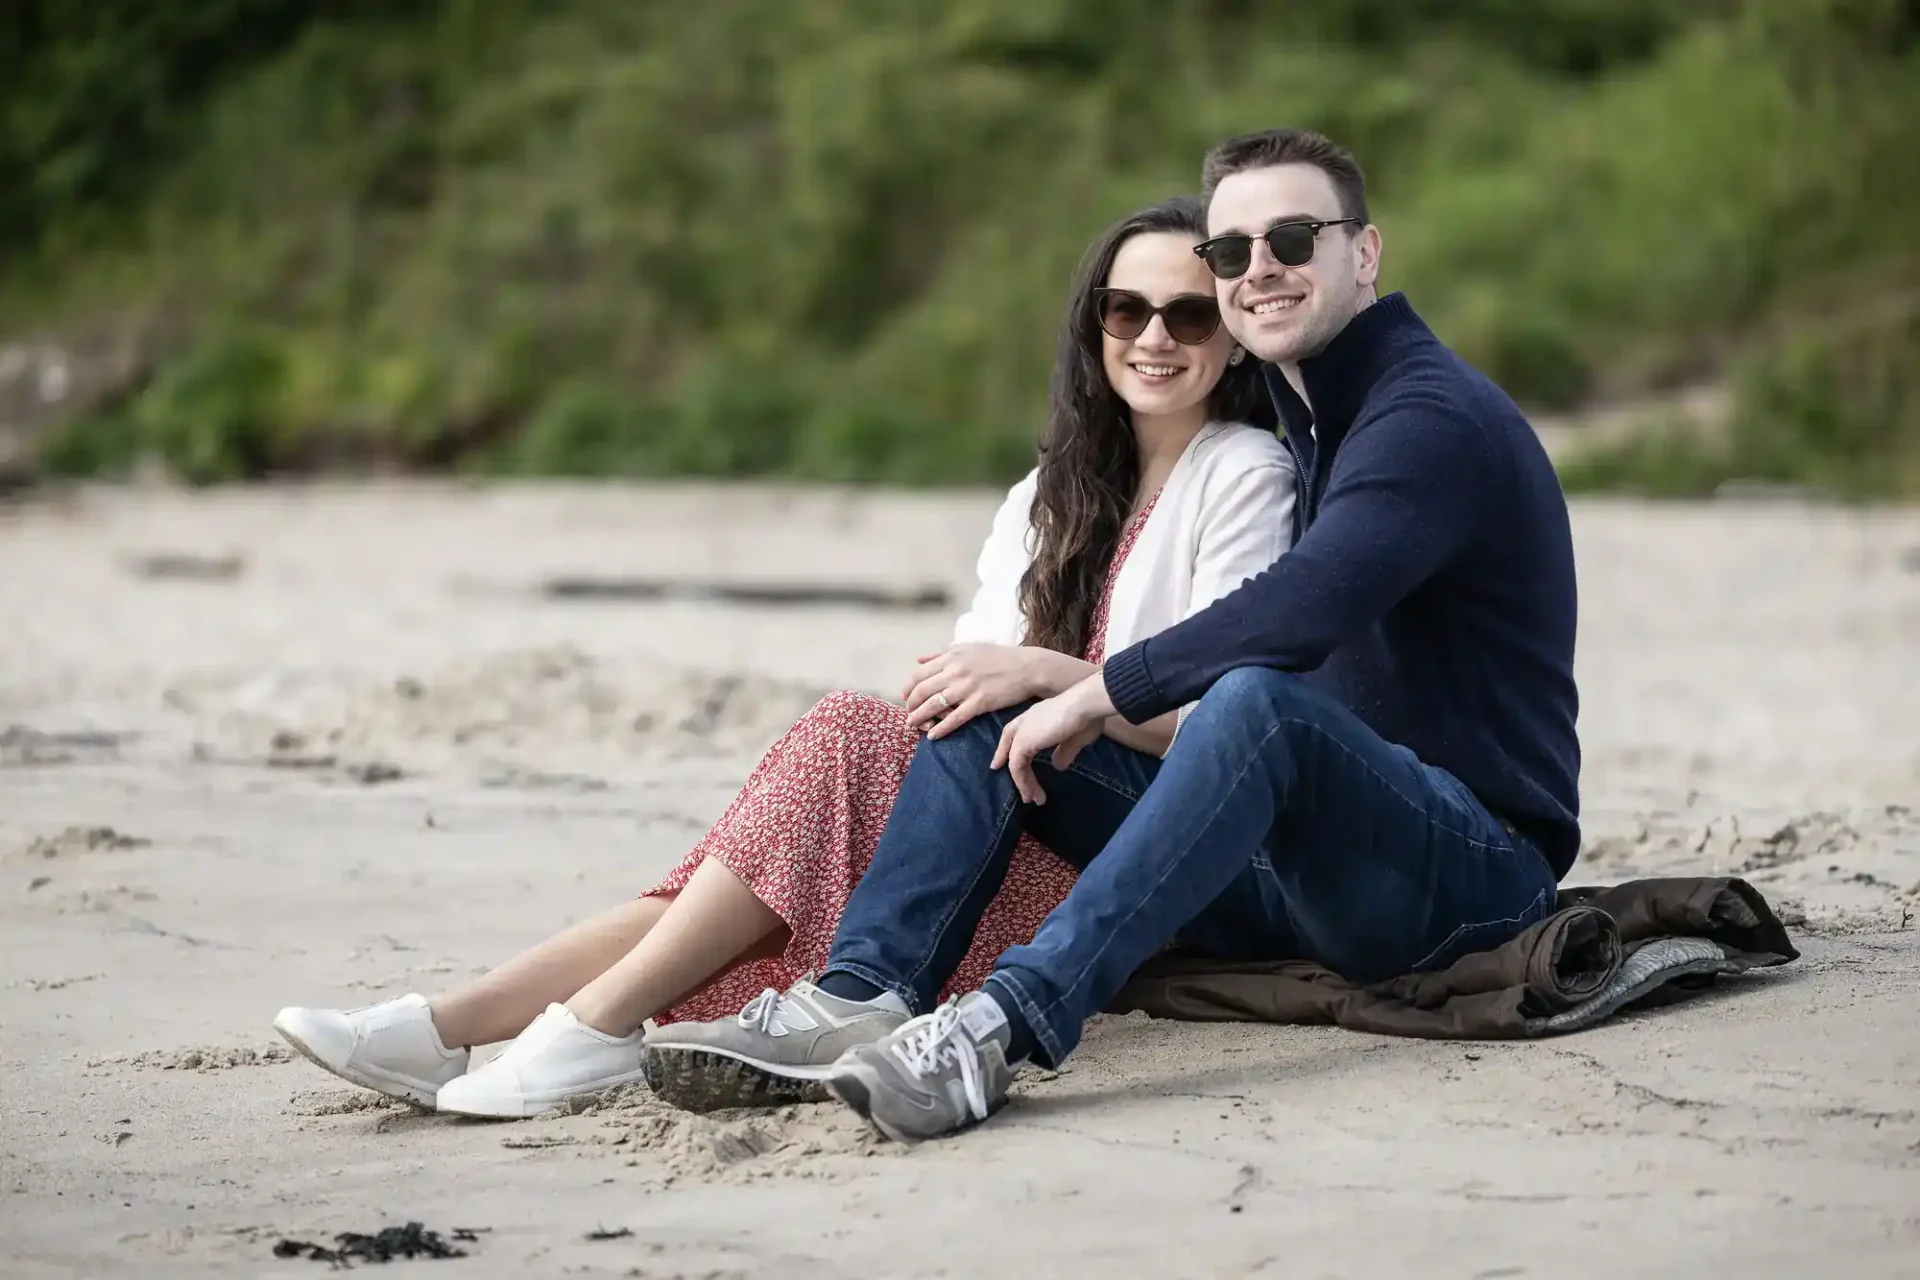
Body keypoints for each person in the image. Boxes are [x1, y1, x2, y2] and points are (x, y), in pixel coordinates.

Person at [643, 127, 1582, 1143]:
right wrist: (1043, 685)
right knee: (996, 701)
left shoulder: (1426, 417)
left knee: (1251, 700)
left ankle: (997, 1030)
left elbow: (1311, 601)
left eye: (1295, 238)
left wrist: (1098, 686)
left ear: (1364, 254)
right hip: (1306, 862)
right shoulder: (1312, 411)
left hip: (1471, 864)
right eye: (1233, 252)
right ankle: (860, 995)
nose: (1260, 268)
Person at [270, 194, 1299, 1118]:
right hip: (998, 821)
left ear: (1233, 340)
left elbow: (1221, 724)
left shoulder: (1245, 473)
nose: (1155, 336)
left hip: (1141, 854)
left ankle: (546, 1028)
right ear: (1094, 327)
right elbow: (962, 693)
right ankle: (481, 1024)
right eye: (1128, 311)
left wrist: (1047, 677)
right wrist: (995, 686)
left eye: (1190, 314)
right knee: (815, 799)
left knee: (833, 771)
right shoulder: (1049, 496)